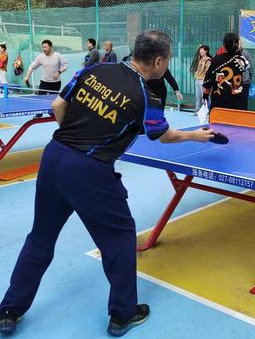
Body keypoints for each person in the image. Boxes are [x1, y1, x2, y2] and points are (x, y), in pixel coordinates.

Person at [0, 31, 214, 337]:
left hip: (54, 157)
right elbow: (162, 135)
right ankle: (123, 314)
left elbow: (58, 106)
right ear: (158, 61)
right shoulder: (147, 96)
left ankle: (9, 310)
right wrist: (195, 135)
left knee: (40, 238)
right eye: (166, 60)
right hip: (90, 171)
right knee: (120, 238)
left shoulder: (95, 69)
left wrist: (76, 138)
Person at [203, 33, 247, 112]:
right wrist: (237, 50)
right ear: (237, 45)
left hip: (219, 102)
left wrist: (205, 96)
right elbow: (245, 65)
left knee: (217, 124)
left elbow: (208, 81)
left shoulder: (216, 60)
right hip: (237, 102)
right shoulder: (240, 60)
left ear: (224, 44)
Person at [189, 45, 212, 114]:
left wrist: (206, 80)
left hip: (203, 80)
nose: (200, 51)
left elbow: (208, 71)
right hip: (198, 79)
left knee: (205, 97)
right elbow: (196, 55)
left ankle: (208, 111)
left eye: (202, 50)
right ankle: (197, 111)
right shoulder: (200, 59)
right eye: (200, 50)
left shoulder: (208, 60)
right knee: (198, 97)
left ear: (206, 51)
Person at [238, 40, 253, 110]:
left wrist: (249, 78)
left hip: (244, 82)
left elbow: (250, 67)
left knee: (244, 101)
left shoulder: (246, 54)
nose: (238, 45)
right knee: (235, 100)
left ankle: (244, 116)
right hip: (234, 83)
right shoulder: (231, 54)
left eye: (239, 44)